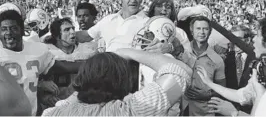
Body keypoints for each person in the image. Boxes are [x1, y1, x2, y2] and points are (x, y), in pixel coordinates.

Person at [42, 49, 192, 116]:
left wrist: (89, 80)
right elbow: (180, 72)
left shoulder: (53, 113)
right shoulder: (135, 109)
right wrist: (128, 53)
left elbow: (69, 102)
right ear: (123, 79)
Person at [196, 17, 266, 116]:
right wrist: (209, 83)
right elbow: (240, 95)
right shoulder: (259, 69)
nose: (254, 39)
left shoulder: (256, 62)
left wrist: (234, 113)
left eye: (258, 35)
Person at [0, 10, 55, 115]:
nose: (8, 33)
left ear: (22, 31)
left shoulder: (38, 50)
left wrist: (42, 83)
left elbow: (53, 68)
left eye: (13, 28)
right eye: (4, 29)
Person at [75, 0, 149, 52]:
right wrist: (65, 34)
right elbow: (86, 35)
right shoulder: (108, 20)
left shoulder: (148, 23)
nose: (133, 0)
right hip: (108, 63)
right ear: (120, 0)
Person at [40, 18, 98, 107]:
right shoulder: (46, 50)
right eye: (67, 30)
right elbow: (35, 79)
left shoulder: (88, 49)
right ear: (56, 35)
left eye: (73, 28)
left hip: (82, 102)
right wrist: (44, 93)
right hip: (55, 102)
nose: (72, 32)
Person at [183, 16, 226, 116]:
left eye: (205, 29)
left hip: (204, 112)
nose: (202, 32)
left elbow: (222, 89)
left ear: (210, 32)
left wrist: (206, 95)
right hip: (181, 109)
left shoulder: (217, 60)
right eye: (198, 28)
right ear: (191, 31)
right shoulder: (181, 52)